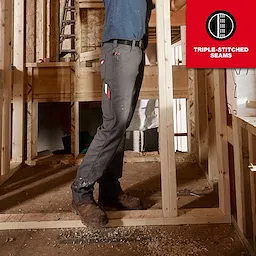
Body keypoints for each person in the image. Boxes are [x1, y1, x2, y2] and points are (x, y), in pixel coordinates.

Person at [71, 0, 186, 228]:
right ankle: (81, 193)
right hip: (118, 50)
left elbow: (172, 5)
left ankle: (110, 189)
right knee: (114, 124)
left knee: (120, 126)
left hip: (135, 50)